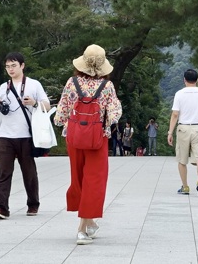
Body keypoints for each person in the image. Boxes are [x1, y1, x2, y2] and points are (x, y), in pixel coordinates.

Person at [54, 44, 122, 245]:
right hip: (97, 138)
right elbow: (115, 113)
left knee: (79, 179)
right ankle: (82, 229)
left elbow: (61, 113)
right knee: (94, 181)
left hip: (74, 138)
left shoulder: (71, 82)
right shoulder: (107, 86)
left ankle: (89, 223)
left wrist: (65, 122)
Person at [0, 51, 50, 219]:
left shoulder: (34, 84)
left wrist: (34, 103)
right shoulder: (4, 87)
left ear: (22, 66)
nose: (10, 69)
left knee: (29, 172)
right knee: (3, 173)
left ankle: (33, 204)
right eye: (7, 66)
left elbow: (47, 105)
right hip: (6, 135)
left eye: (14, 65)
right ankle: (2, 208)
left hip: (26, 135)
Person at [167, 68, 198, 197]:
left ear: (184, 80)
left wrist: (170, 132)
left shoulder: (179, 94)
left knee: (182, 159)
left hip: (183, 128)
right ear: (197, 80)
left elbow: (175, 114)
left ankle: (185, 186)